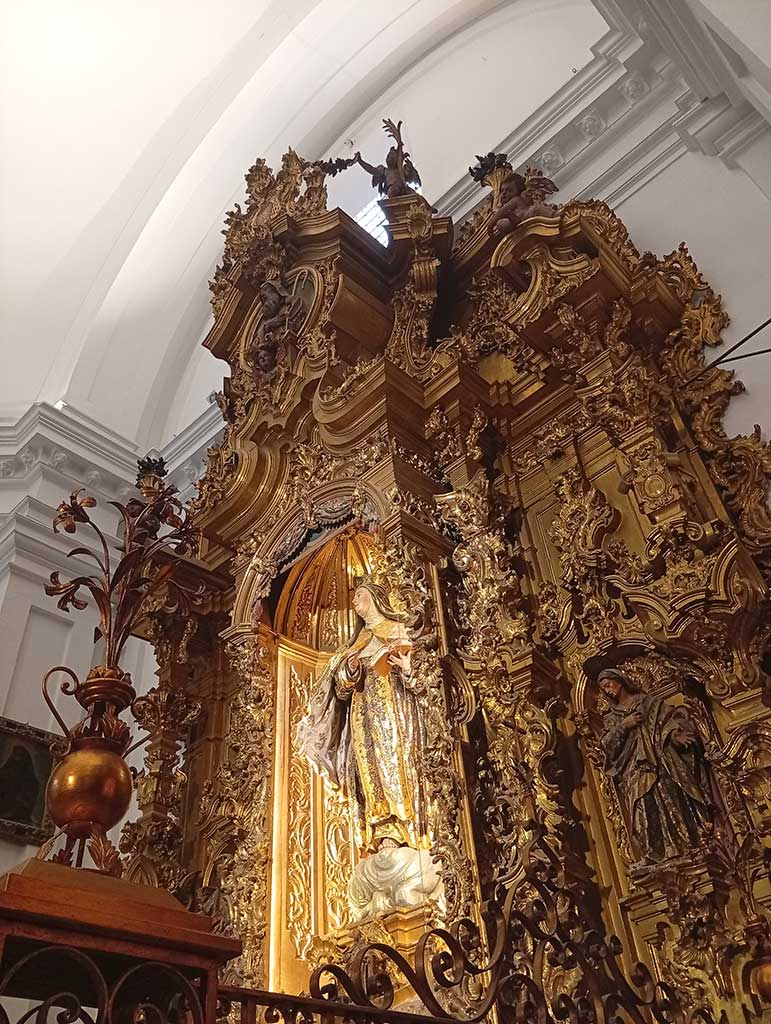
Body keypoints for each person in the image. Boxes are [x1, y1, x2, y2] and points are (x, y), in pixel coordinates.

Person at [298, 580, 422, 852]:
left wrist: (407, 667)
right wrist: (350, 670)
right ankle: (382, 830)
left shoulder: (398, 628)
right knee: (368, 766)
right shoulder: (357, 642)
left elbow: (421, 672)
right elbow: (342, 692)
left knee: (394, 758)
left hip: (394, 709)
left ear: (376, 598)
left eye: (360, 596)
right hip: (362, 712)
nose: (354, 602)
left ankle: (404, 823)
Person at [598, 667, 714, 866]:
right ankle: (654, 854)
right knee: (642, 807)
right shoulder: (611, 718)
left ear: (619, 680)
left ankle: (685, 846)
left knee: (671, 799)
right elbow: (607, 748)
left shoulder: (649, 703)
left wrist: (674, 736)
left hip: (661, 762)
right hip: (634, 769)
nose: (608, 690)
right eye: (603, 689)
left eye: (608, 684)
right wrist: (623, 725)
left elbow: (668, 722)